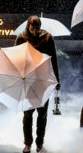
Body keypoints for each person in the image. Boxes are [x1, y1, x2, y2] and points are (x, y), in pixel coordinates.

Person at [15, 16, 60, 153]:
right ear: (28, 26)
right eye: (33, 28)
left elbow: (53, 59)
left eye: (37, 28)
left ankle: (39, 143)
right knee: (28, 115)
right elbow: (16, 60)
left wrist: (57, 79)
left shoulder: (47, 37)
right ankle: (28, 143)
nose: (35, 31)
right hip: (28, 80)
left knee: (42, 115)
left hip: (43, 80)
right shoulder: (21, 38)